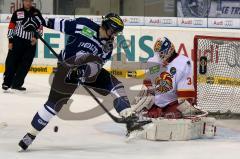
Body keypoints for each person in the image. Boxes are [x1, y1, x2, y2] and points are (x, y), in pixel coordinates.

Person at [18, 13, 148, 151]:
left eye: (116, 33)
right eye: (113, 31)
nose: (114, 35)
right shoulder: (84, 26)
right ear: (105, 26)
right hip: (65, 70)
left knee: (115, 85)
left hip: (86, 73)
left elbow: (97, 66)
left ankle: (130, 119)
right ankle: (30, 135)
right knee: (54, 105)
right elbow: (56, 23)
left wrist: (82, 73)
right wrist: (36, 21)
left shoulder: (107, 47)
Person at [132, 37, 200, 119]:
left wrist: (166, 110)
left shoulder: (183, 64)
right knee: (138, 106)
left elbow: (185, 97)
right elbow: (147, 84)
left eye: (161, 53)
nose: (159, 57)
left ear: (169, 51)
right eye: (158, 54)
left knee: (181, 111)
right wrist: (150, 104)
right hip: (155, 104)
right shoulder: (153, 60)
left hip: (172, 104)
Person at [2, 0, 45, 91]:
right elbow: (11, 27)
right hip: (17, 41)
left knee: (25, 65)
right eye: (26, 1)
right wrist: (10, 41)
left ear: (32, 2)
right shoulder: (17, 13)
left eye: (29, 1)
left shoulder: (36, 13)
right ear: (23, 2)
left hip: (30, 43)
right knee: (11, 62)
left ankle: (17, 84)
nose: (28, 3)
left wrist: (35, 37)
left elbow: (40, 26)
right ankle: (6, 83)